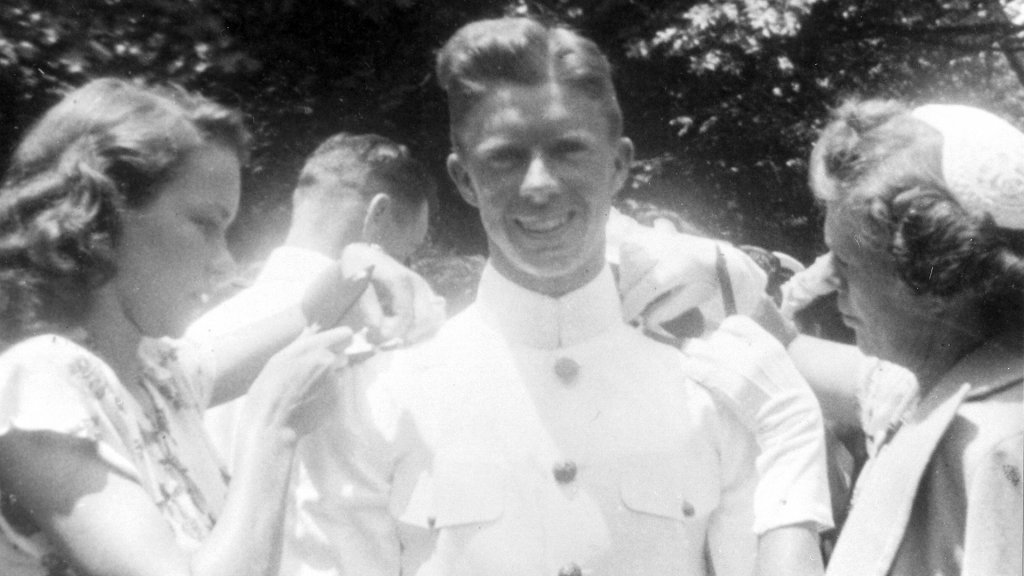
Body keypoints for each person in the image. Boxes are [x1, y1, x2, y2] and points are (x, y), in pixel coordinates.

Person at [315, 17, 830, 576]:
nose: (539, 184)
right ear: (464, 180)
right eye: (505, 157)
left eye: (568, 150)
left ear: (619, 165)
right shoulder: (383, 393)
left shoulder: (716, 385)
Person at [627, 100, 1024, 576]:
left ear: (936, 281)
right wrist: (725, 277)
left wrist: (789, 434)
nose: (828, 278)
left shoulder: (1002, 452)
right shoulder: (948, 382)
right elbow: (792, 350)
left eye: (848, 263)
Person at [0, 78, 356, 576]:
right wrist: (274, 427)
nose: (225, 264)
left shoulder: (156, 373)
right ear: (101, 216)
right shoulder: (39, 379)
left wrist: (363, 272)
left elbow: (308, 316)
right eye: (206, 224)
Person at [195, 132, 438, 462]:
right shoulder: (386, 350)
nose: (406, 268)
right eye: (408, 252)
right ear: (377, 215)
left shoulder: (195, 335)